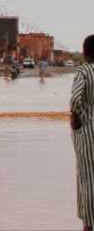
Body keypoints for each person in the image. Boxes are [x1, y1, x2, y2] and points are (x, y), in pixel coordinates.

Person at [71, 35, 94, 230]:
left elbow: (76, 99)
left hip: (88, 133)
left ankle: (89, 225)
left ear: (86, 52)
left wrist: (75, 118)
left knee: (87, 179)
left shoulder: (84, 71)